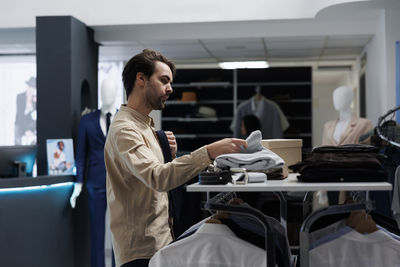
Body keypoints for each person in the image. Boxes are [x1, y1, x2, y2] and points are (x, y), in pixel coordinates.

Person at [104, 49, 248, 267]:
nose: (170, 89)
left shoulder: (146, 126)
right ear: (141, 79)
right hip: (141, 251)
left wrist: (167, 154)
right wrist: (209, 151)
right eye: (163, 81)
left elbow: (153, 183)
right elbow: (158, 177)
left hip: (160, 243)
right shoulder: (125, 129)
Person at [70, 78, 118, 267]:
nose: (108, 94)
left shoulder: (124, 119)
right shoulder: (87, 121)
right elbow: (81, 155)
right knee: (97, 232)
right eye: (105, 90)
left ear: (116, 93)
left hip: (119, 183)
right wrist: (79, 183)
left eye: (111, 90)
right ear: (100, 92)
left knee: (118, 232)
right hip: (95, 183)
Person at [15, 76, 37, 145]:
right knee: (18, 134)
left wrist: (36, 103)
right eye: (30, 87)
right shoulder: (20, 97)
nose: (32, 90)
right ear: (27, 87)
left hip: (31, 123)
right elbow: (20, 115)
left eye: (33, 88)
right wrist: (26, 130)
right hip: (20, 123)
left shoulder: (35, 99)